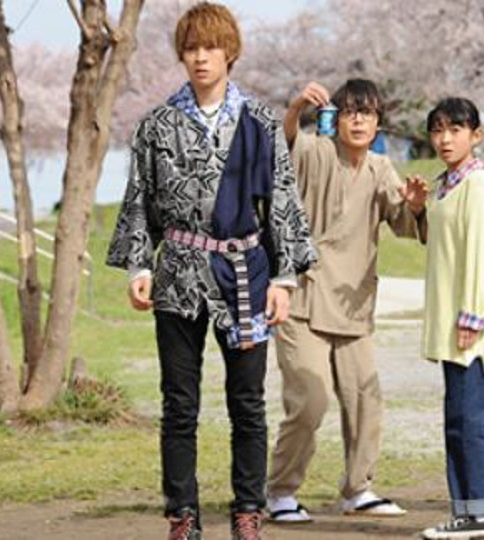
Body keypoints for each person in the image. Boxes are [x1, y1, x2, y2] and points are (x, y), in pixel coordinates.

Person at [105, 3, 316, 539]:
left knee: (248, 403)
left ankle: (248, 511)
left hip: (245, 275)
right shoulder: (157, 125)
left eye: (211, 47)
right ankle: (182, 514)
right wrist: (138, 265)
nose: (201, 57)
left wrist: (285, 280)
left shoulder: (260, 122)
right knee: (179, 404)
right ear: (182, 55)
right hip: (177, 275)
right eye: (191, 48)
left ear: (230, 53)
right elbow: (139, 199)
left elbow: (282, 200)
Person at [265, 79, 428, 523]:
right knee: (310, 401)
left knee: (365, 401)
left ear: (378, 123)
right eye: (350, 112)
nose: (358, 121)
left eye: (367, 113)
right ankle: (280, 491)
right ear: (336, 119)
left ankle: (359, 489)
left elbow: (403, 221)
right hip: (303, 299)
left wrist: (415, 206)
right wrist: (297, 106)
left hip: (353, 305)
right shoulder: (317, 152)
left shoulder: (380, 167)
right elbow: (285, 142)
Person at [415, 98, 484, 539]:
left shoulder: (478, 185)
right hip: (454, 322)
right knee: (462, 419)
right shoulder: (446, 185)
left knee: (467, 421)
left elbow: (483, 254)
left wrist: (473, 316)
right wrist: (419, 209)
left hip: (471, 325)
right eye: (437, 130)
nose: (445, 139)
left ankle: (477, 513)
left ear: (476, 135)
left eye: (455, 130)